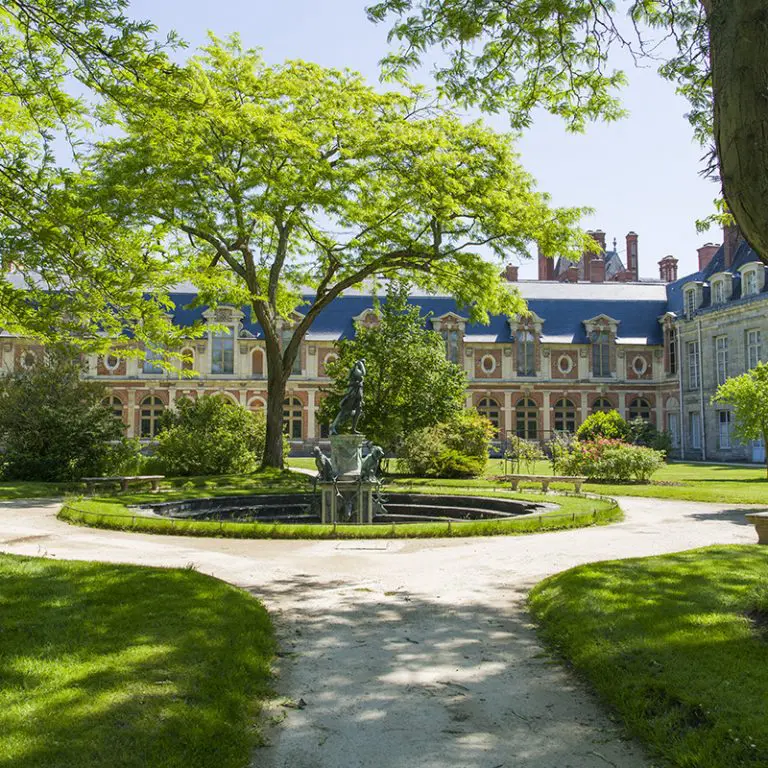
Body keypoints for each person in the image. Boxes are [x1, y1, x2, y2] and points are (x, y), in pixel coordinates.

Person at [330, 358, 366, 435]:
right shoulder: (356, 370)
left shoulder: (357, 370)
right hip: (352, 394)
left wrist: (362, 398)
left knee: (358, 411)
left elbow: (361, 386)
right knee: (345, 411)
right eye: (363, 364)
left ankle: (353, 429)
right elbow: (363, 373)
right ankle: (333, 426)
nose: (364, 365)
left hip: (358, 394)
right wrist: (360, 364)